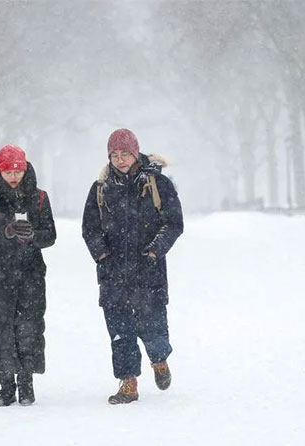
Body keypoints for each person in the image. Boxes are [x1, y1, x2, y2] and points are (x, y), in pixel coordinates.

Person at [82, 128, 184, 404]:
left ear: (136, 152)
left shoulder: (157, 184)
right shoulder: (100, 188)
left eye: (125, 153)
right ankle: (128, 383)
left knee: (153, 328)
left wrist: (153, 252)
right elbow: (89, 229)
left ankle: (159, 360)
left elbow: (173, 223)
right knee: (120, 332)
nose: (121, 159)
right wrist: (102, 256)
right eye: (115, 155)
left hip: (148, 273)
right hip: (113, 276)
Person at [0, 144, 56, 406]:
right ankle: (6, 385)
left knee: (29, 328)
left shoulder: (39, 198)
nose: (13, 176)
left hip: (30, 275)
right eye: (7, 171)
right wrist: (4, 233)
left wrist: (33, 236)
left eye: (17, 170)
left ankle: (27, 382)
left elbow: (50, 235)